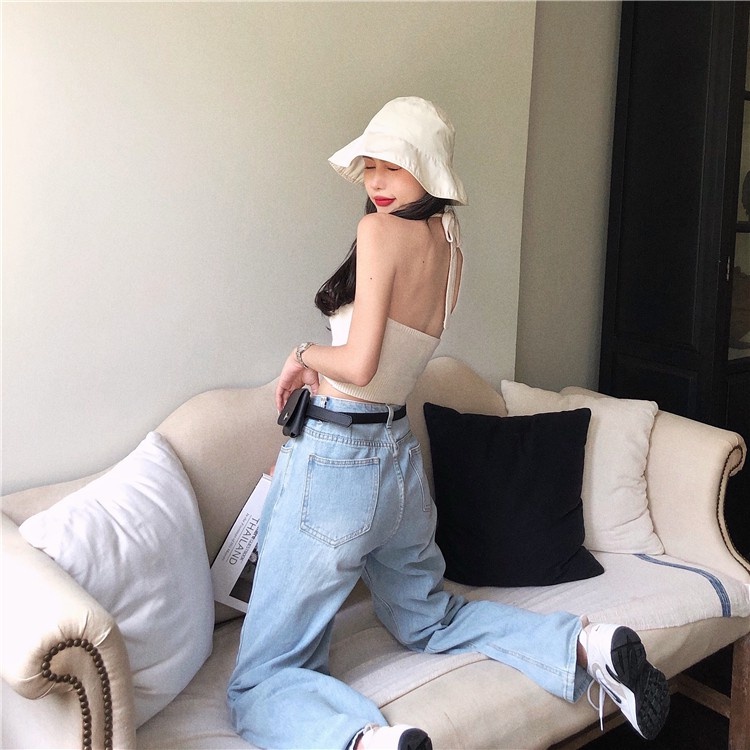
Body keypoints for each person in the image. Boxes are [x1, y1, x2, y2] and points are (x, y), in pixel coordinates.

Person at [227, 97, 670, 750]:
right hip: (398, 461)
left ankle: (362, 741)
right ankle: (586, 644)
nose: (377, 182)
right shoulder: (449, 244)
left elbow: (360, 362)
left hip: (337, 457)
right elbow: (393, 362)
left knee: (258, 679)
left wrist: (301, 356)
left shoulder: (379, 232)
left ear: (427, 170)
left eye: (393, 167)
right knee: (431, 620)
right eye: (370, 167)